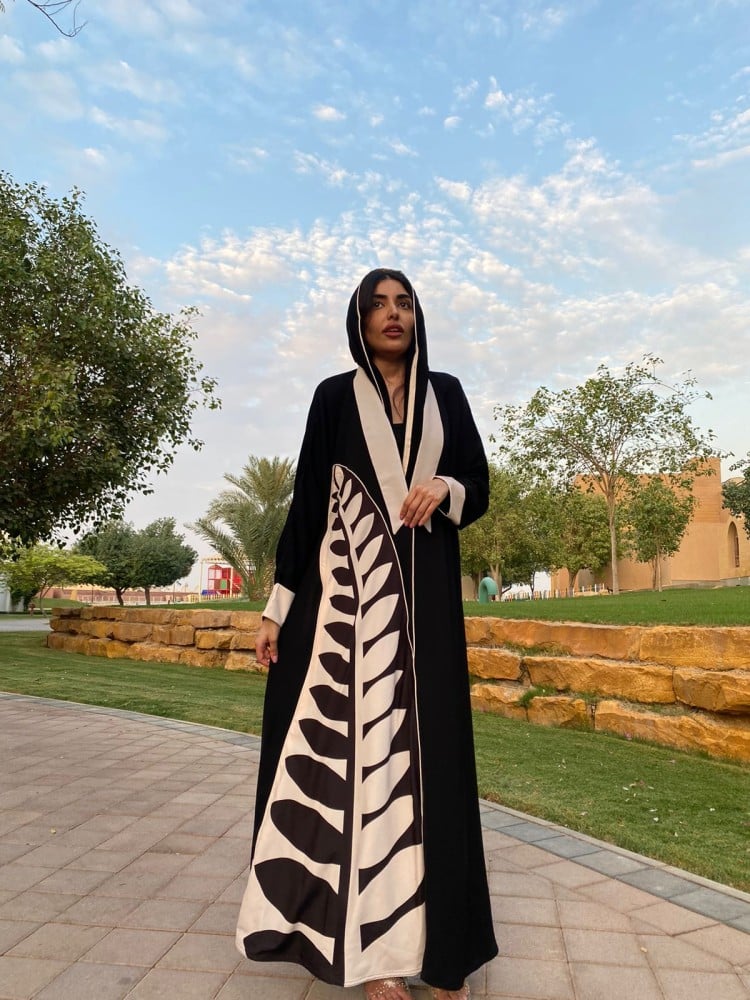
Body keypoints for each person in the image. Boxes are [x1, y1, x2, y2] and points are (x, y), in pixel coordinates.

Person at [236, 268, 498, 1000]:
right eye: (378, 304)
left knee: (433, 768)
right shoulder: (333, 397)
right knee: (364, 764)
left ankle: (444, 953)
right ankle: (377, 957)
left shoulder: (447, 394)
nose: (393, 314)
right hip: (348, 617)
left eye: (403, 303)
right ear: (359, 319)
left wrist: (445, 487)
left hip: (430, 616)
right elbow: (306, 508)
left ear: (418, 317)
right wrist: (277, 609)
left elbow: (478, 482)